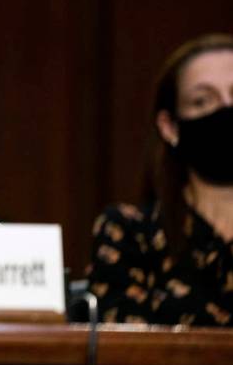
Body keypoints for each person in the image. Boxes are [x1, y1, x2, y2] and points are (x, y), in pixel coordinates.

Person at [87, 33, 233, 326]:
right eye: (203, 101)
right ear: (170, 127)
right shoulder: (131, 233)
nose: (226, 108)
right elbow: (126, 352)